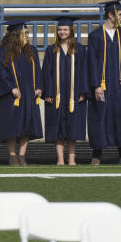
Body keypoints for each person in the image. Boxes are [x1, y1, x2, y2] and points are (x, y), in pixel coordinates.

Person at [86, 0, 121, 165]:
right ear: (111, 15)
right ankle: (97, 155)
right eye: (120, 14)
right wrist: (96, 85)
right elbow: (91, 62)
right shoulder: (95, 36)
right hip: (103, 87)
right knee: (99, 119)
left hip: (120, 87)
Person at [0, 19, 43, 166]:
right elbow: (0, 73)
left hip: (29, 94)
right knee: (12, 125)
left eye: (27, 33)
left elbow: (38, 71)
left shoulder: (31, 50)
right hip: (11, 96)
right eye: (24, 33)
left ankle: (22, 155)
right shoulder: (2, 52)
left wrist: (39, 86)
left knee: (27, 125)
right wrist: (11, 87)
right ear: (15, 35)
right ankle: (12, 155)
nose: (27, 36)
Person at [41, 16, 90, 166]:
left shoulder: (80, 50)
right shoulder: (51, 50)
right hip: (56, 96)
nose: (62, 32)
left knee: (72, 129)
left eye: (65, 29)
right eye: (60, 29)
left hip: (74, 96)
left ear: (71, 31)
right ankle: (60, 159)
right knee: (58, 129)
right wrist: (47, 93)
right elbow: (46, 73)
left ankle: (72, 159)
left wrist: (83, 92)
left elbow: (84, 72)